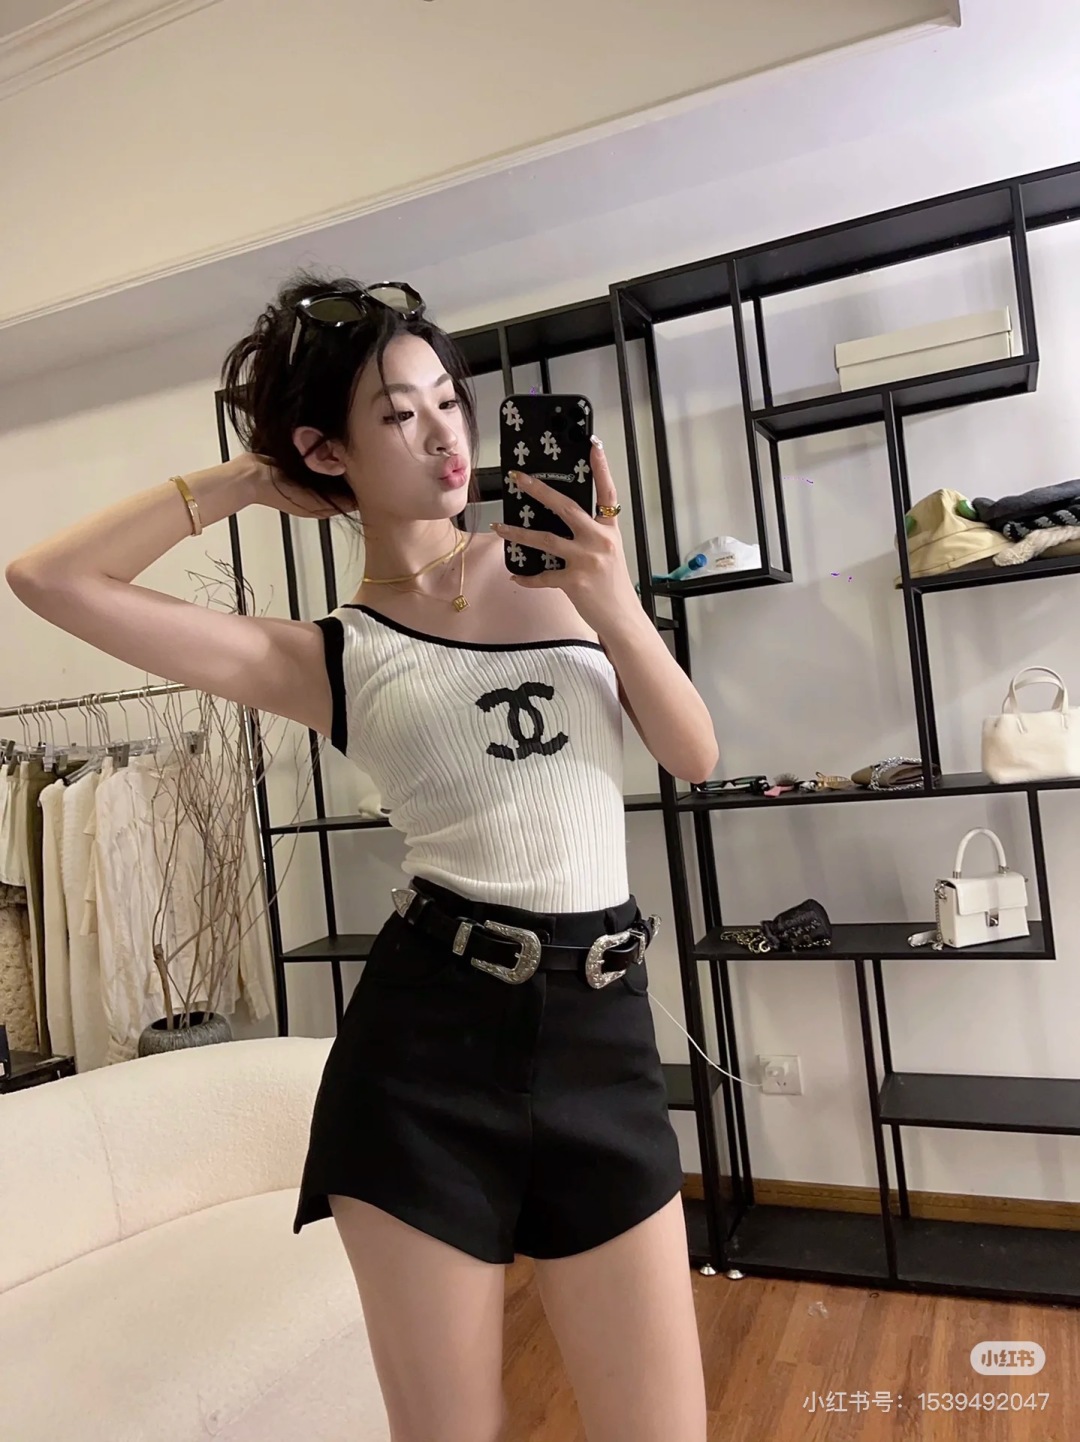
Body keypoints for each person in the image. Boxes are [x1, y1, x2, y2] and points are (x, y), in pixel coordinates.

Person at [5, 271, 717, 1442]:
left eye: (448, 400)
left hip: (603, 1039)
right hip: (425, 1062)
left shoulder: (566, 579)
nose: (444, 434)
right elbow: (48, 579)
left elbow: (692, 752)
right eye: (397, 413)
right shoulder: (326, 653)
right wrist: (246, 480)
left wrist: (617, 599)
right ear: (325, 451)